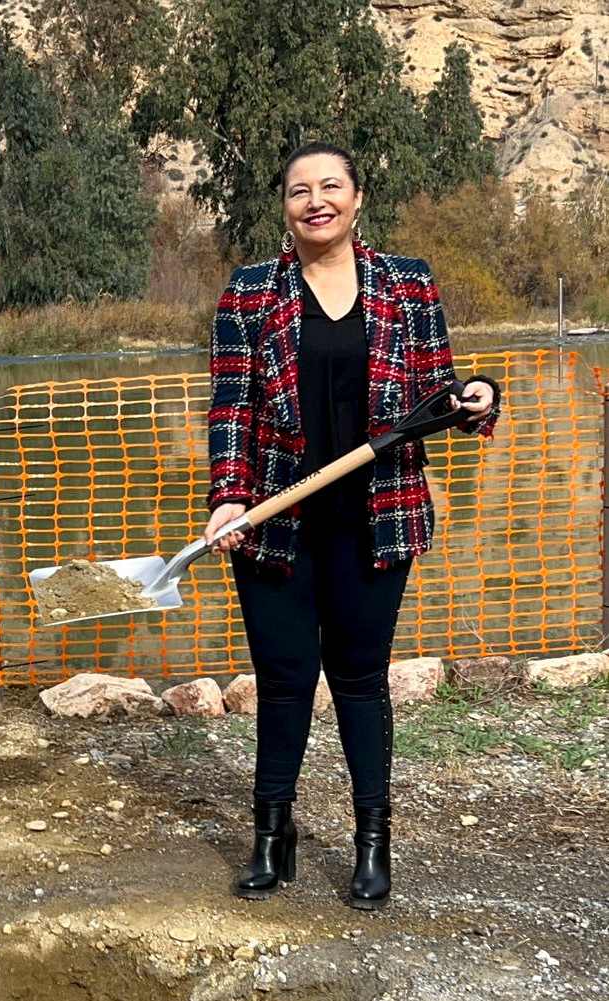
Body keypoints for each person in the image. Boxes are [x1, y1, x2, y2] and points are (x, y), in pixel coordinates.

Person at [202, 142, 499, 911]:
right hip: (276, 521)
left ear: (357, 197)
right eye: (299, 190)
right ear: (285, 208)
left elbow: (436, 393)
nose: (314, 201)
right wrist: (228, 497)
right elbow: (232, 406)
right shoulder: (248, 292)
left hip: (377, 516)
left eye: (329, 186)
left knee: (360, 681)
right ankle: (272, 836)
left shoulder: (406, 283)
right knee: (284, 680)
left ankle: (372, 841)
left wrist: (475, 396)